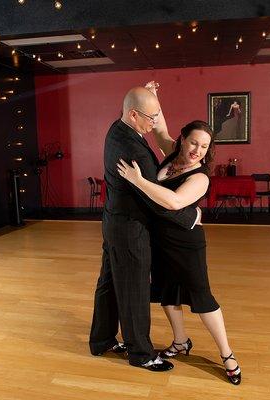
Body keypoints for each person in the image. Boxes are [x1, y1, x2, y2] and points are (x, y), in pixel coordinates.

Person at [116, 83, 241, 385]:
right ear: (183, 139)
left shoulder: (200, 178)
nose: (197, 150)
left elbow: (172, 202)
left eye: (204, 147)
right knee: (167, 293)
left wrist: (137, 180)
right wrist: (153, 96)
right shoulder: (172, 153)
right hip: (160, 241)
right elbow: (159, 128)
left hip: (186, 244)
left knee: (202, 298)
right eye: (193, 142)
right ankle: (181, 341)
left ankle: (227, 355)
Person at [89, 86, 201, 372]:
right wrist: (191, 216)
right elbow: (155, 201)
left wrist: (150, 96)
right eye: (151, 117)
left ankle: (101, 340)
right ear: (134, 114)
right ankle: (141, 353)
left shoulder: (119, 128)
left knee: (110, 283)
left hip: (114, 222)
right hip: (130, 228)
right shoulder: (132, 148)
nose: (155, 122)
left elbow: (138, 109)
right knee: (135, 289)